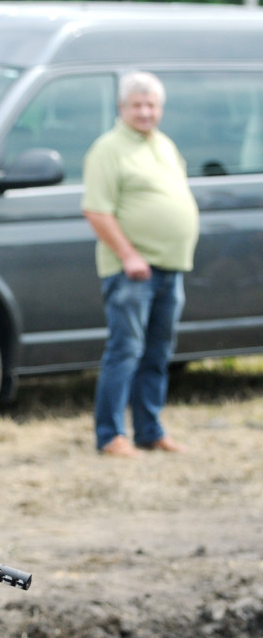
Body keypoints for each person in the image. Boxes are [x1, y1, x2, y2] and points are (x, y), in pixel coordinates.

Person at [81, 71, 199, 458]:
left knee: (157, 353)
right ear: (122, 107)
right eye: (138, 104)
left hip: (170, 268)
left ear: (160, 108)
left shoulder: (164, 145)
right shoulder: (108, 149)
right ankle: (111, 435)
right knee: (126, 350)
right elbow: (96, 210)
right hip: (132, 271)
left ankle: (150, 431)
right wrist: (130, 255)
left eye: (152, 105)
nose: (145, 112)